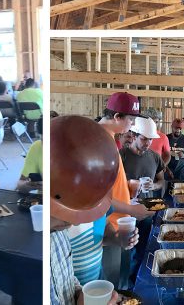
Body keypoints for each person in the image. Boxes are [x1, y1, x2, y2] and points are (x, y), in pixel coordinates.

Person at [50, 116, 136, 305]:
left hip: (95, 275)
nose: (76, 222)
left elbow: (66, 277)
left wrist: (116, 239)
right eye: (72, 215)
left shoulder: (58, 234)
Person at [97, 92, 155, 288]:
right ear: (117, 117)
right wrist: (132, 210)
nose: (131, 125)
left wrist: (130, 186)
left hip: (119, 222)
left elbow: (110, 184)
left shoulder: (109, 139)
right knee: (111, 285)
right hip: (107, 227)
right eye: (130, 119)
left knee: (121, 280)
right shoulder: (100, 142)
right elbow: (96, 196)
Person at [120, 117, 165, 287]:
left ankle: (138, 283)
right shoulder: (121, 156)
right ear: (134, 135)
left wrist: (154, 184)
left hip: (149, 207)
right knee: (126, 251)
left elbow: (161, 180)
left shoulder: (154, 156)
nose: (147, 143)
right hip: (126, 210)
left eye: (150, 139)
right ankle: (126, 285)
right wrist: (131, 184)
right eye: (144, 139)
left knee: (143, 248)